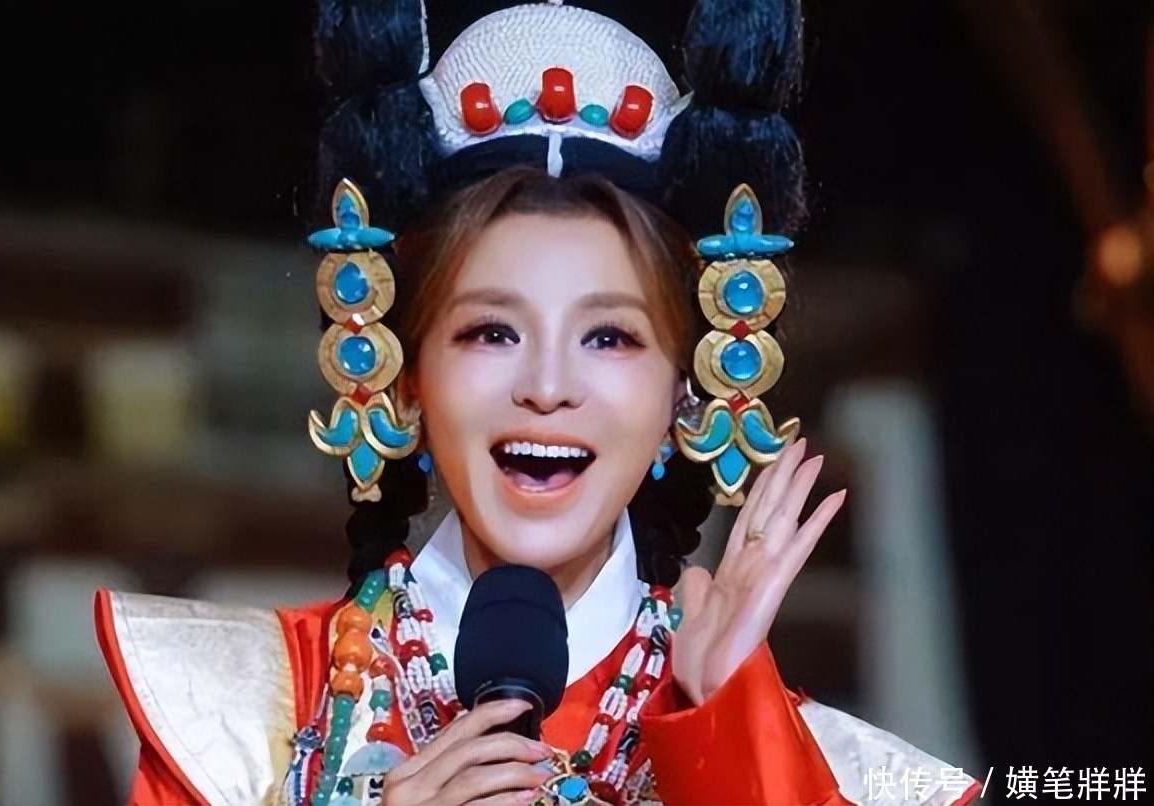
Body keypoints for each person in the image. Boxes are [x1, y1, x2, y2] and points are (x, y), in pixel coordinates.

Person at [96, 2, 982, 804]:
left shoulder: (824, 774)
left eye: (610, 338)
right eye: (491, 332)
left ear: (689, 387)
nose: (548, 387)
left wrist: (728, 734)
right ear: (404, 374)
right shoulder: (238, 720)